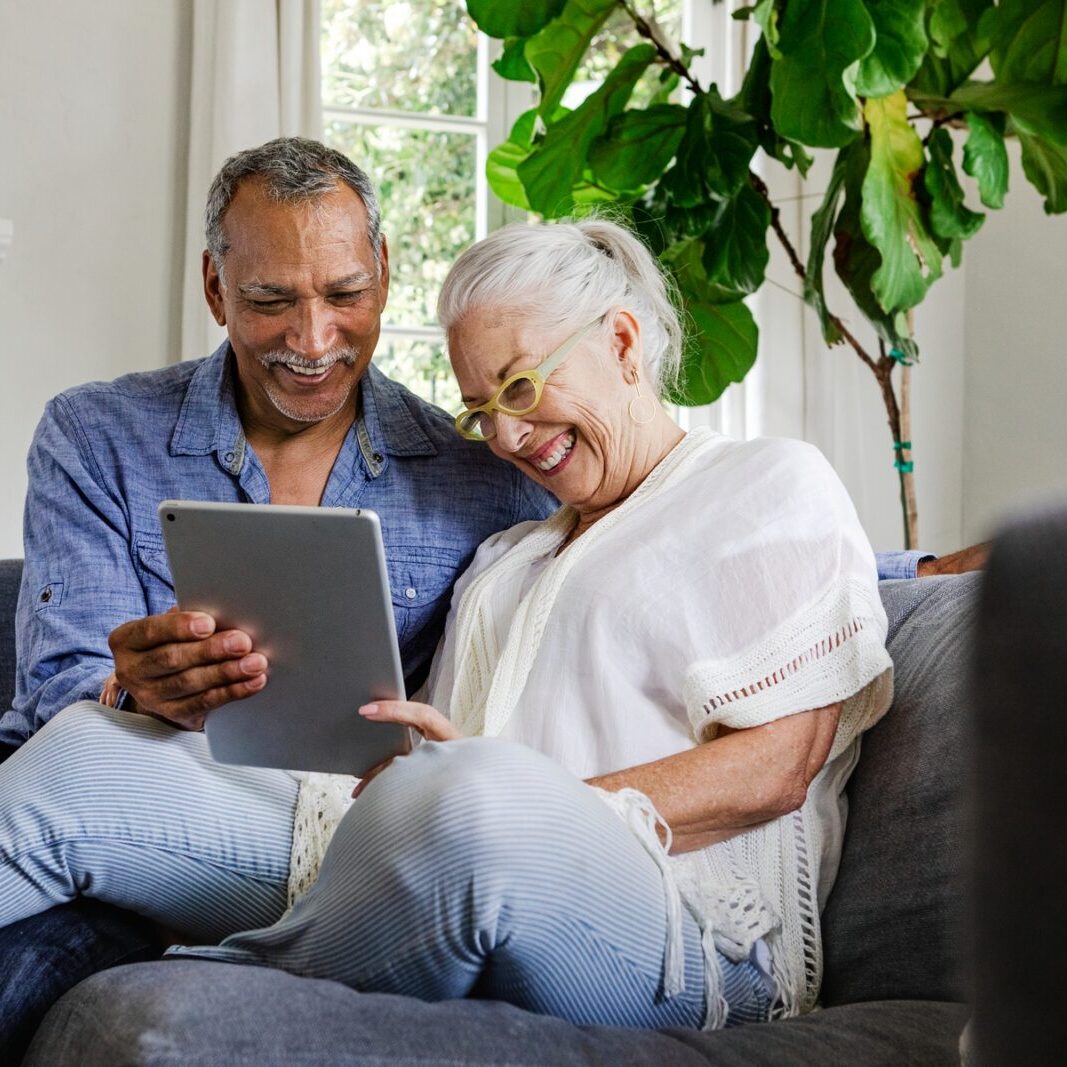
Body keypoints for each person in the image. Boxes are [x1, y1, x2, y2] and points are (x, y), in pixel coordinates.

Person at [4, 216, 901, 1029]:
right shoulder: (513, 549)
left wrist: (502, 797)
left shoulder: (766, 484)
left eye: (518, 387)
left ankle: (209, 984)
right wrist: (423, 777)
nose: (506, 439)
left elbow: (778, 768)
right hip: (410, 843)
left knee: (474, 801)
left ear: (622, 341)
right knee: (91, 749)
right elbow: (437, 760)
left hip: (670, 923)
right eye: (480, 411)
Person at [0, 137, 554, 1054]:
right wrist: (132, 690)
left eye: (344, 295)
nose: (311, 340)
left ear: (383, 273)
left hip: (302, 850)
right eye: (268, 301)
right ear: (217, 290)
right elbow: (60, 693)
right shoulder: (95, 434)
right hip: (101, 820)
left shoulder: (482, 478)